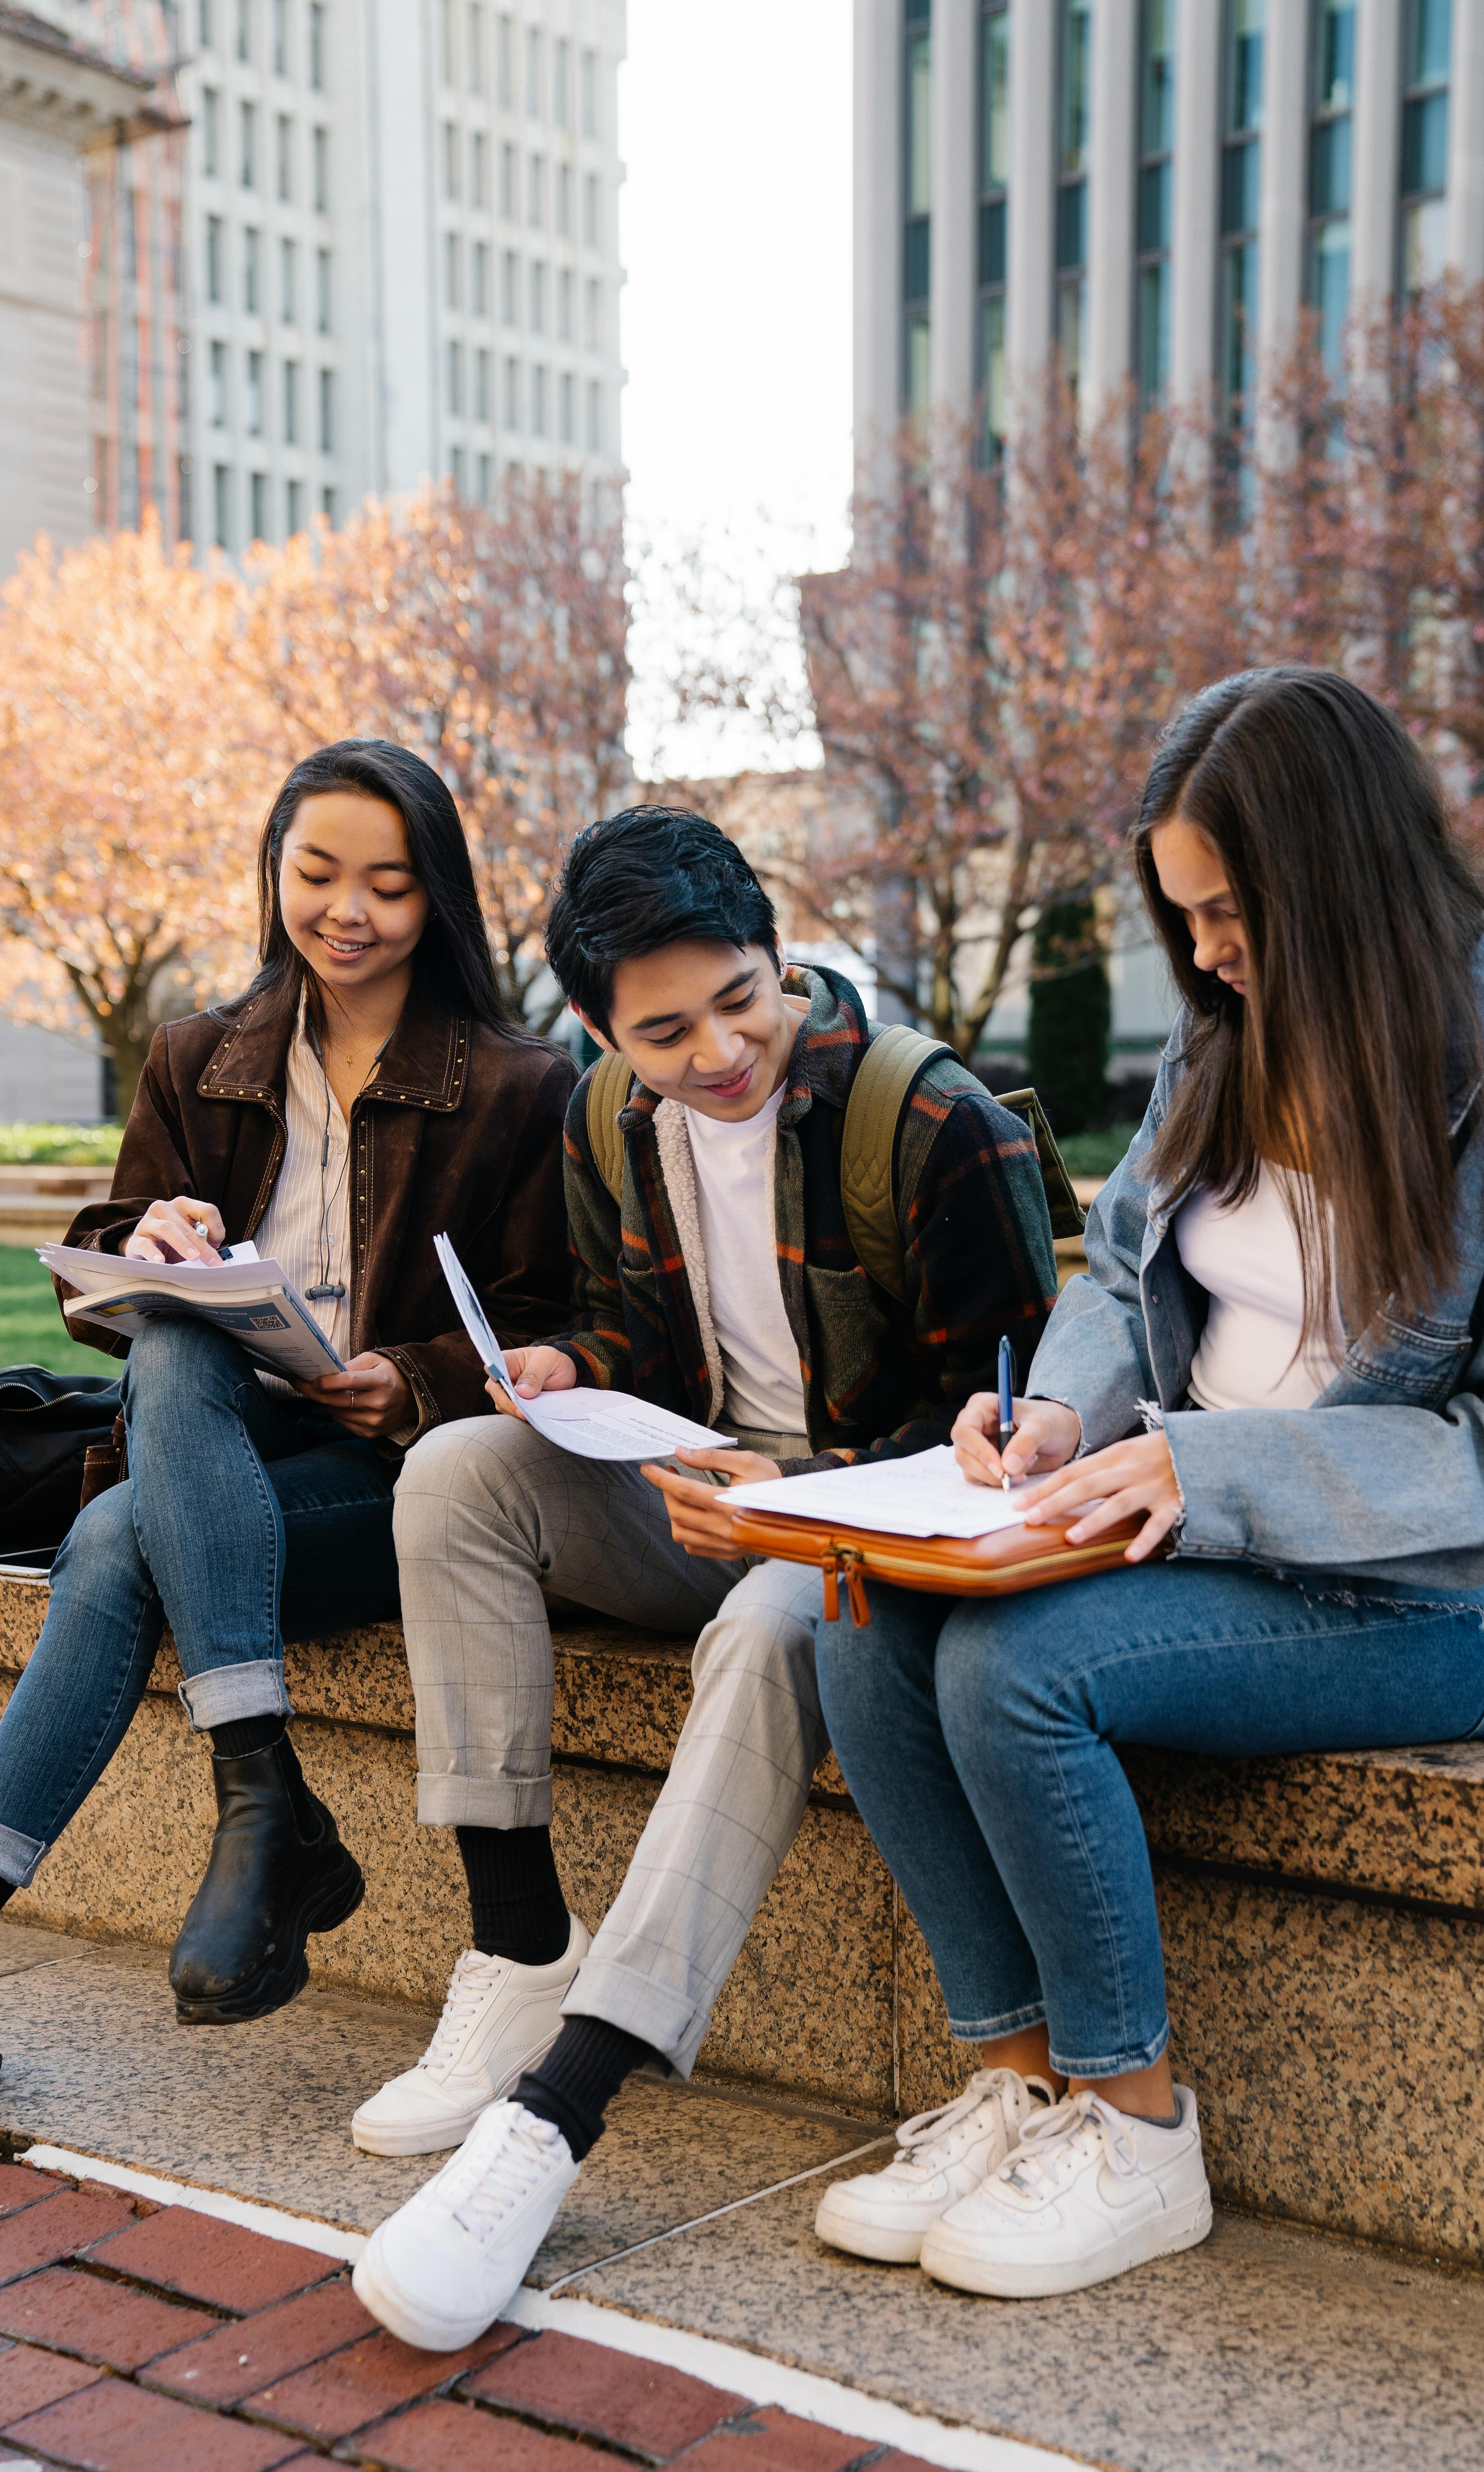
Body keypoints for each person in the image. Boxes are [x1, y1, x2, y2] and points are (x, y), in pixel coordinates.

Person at [805, 667, 1484, 2301]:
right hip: (1181, 1512)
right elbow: (1122, 1270)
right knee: (854, 1627)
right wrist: (1062, 1420)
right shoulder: (1223, 1046)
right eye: (1183, 913)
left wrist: (1195, 1471)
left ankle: (1134, 2132)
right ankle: (1017, 2092)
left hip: (1431, 1596)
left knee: (1015, 1668)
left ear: (1338, 878)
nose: (1202, 952)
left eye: (1228, 912)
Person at [345, 806, 1061, 2350]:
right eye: (663, 1031)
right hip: (695, 1500)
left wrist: (792, 1496)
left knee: (759, 1619)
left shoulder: (929, 1122)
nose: (721, 1052)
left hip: (863, 1540)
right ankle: (522, 1947)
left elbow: (1008, 1426)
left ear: (778, 950)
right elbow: (633, 1337)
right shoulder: (610, 1119)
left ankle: (556, 2114)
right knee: (455, 1470)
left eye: (743, 999)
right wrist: (566, 1366)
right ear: (602, 1030)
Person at [0, 739, 575, 2160]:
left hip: (388, 1484)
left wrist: (420, 1381)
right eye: (316, 872)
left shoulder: (521, 1085)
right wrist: (140, 1239)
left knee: (112, 1535)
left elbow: (559, 1321)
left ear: (437, 898)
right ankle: (259, 1796)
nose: (347, 910)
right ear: (272, 875)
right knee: (178, 1336)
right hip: (223, 1445)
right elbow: (107, 1273)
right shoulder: (196, 1057)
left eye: (389, 885)